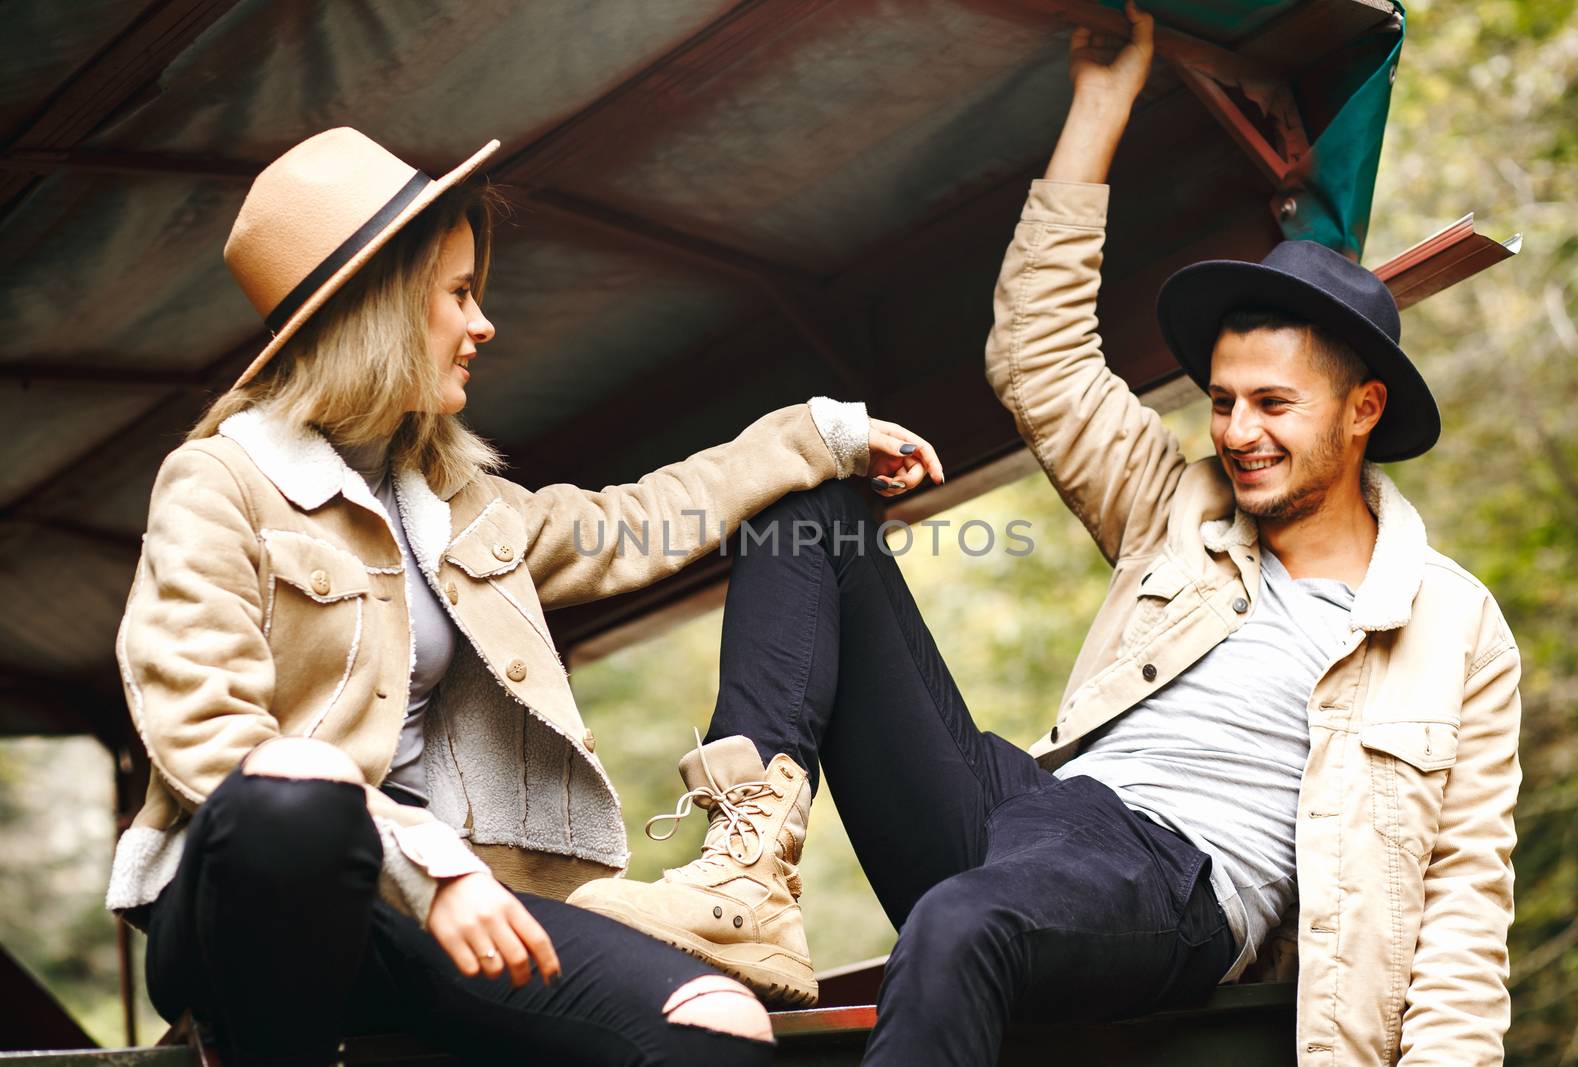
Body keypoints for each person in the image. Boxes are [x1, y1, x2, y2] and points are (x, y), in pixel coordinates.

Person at [567, 4, 1524, 1064]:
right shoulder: (1180, 507)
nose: (1237, 432)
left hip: (1177, 882)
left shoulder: (1448, 626)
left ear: (1363, 411)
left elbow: (1463, 902)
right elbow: (1038, 358)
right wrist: (1099, 107)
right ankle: (746, 866)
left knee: (963, 923)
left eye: (1272, 404)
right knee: (807, 502)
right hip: (1036, 814)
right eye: (1221, 400)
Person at [103, 125, 944, 1066]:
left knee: (719, 1024)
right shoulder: (218, 482)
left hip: (457, 916)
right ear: (380, 307)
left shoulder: (459, 500)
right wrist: (432, 868)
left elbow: (635, 521)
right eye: (459, 294)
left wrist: (819, 439)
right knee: (298, 793)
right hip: (259, 910)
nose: (483, 323)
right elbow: (207, 737)